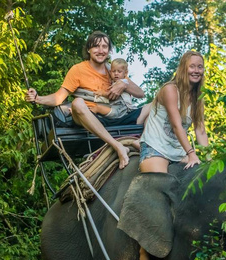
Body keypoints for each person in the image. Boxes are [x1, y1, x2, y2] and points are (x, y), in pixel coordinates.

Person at [25, 31, 150, 169]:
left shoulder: (114, 69)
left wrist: (124, 83)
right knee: (77, 102)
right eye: (96, 46)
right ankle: (117, 146)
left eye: (104, 46)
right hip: (93, 118)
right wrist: (37, 98)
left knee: (157, 103)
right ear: (89, 49)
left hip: (118, 115)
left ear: (109, 50)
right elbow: (58, 98)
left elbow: (141, 94)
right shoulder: (78, 70)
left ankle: (144, 142)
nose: (101, 50)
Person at [137, 50, 209, 260]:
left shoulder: (199, 97)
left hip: (178, 149)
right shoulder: (170, 90)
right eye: (192, 66)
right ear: (183, 67)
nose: (196, 70)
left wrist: (208, 159)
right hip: (156, 147)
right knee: (156, 188)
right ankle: (143, 250)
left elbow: (199, 130)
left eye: (200, 67)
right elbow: (178, 126)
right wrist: (191, 153)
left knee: (200, 185)